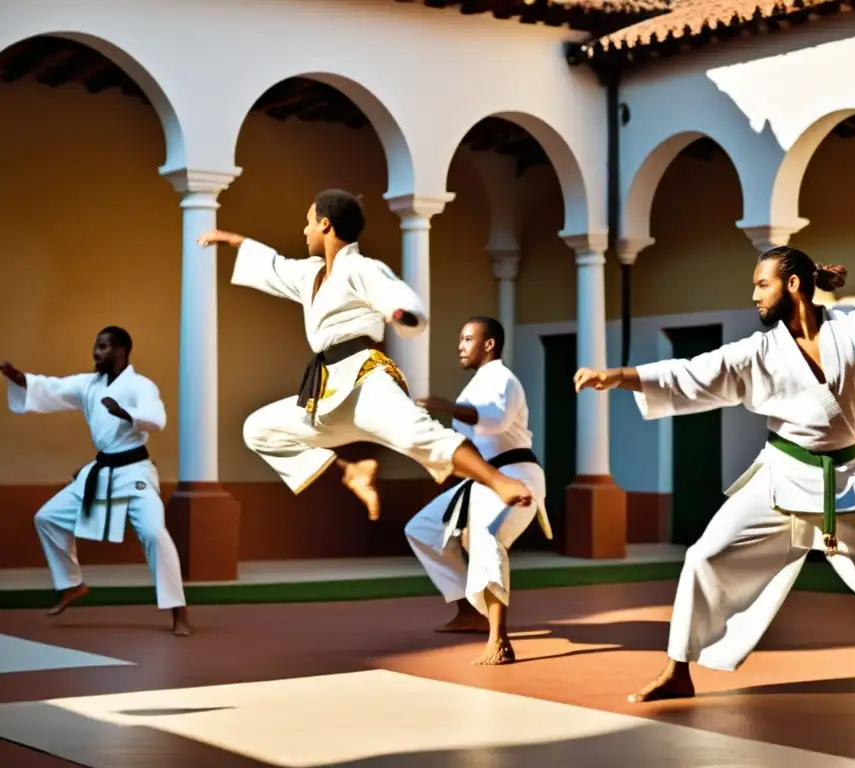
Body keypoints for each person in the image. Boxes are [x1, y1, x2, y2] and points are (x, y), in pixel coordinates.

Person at [574, 245, 855, 702]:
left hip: (851, 482)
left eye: (761, 284)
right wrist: (619, 376)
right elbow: (693, 373)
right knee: (705, 556)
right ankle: (677, 669)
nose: (754, 295)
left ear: (793, 285)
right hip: (780, 479)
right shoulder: (758, 352)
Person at [197, 189, 533, 522]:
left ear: (325, 224)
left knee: (419, 434)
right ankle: (352, 470)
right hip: (325, 391)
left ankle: (497, 480)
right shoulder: (309, 274)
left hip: (364, 380)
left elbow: (396, 296)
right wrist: (232, 240)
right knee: (258, 428)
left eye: (308, 222)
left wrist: (401, 314)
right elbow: (273, 267)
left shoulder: (360, 267)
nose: (304, 231)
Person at [2, 327, 191, 636]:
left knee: (154, 534)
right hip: (102, 471)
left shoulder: (141, 385)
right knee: (47, 518)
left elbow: (157, 418)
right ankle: (71, 584)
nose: (96, 352)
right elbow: (53, 388)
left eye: (102, 347)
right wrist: (19, 378)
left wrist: (125, 412)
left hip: (135, 472)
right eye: (96, 346)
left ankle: (178, 612)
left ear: (121, 351)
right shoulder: (88, 384)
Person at [406, 316, 550, 666]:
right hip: (484, 480)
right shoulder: (474, 387)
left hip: (517, 475)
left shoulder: (504, 380)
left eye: (468, 339)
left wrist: (447, 407)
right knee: (423, 530)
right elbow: (467, 441)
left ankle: (499, 638)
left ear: (489, 344)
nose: (460, 345)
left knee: (488, 536)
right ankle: (470, 611)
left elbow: (495, 420)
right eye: (460, 339)